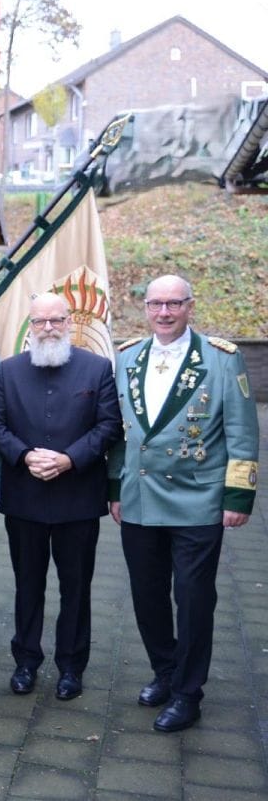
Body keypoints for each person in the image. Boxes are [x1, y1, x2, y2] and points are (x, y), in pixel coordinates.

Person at [108, 274, 259, 733]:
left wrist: (238, 496)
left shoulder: (220, 358)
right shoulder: (127, 356)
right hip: (139, 498)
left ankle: (188, 693)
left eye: (174, 303)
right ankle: (165, 671)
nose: (164, 312)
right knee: (146, 595)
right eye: (156, 304)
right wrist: (114, 489)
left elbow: (242, 430)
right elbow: (120, 433)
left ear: (190, 307)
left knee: (193, 600)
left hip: (198, 498)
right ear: (145, 308)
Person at [0, 293, 121, 701]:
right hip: (25, 498)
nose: (48, 328)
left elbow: (109, 425)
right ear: (30, 325)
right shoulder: (9, 371)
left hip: (77, 498)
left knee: (76, 588)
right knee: (27, 585)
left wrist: (69, 459)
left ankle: (71, 667)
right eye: (40, 321)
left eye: (56, 320)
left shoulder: (97, 368)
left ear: (68, 322)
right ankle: (26, 661)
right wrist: (26, 455)